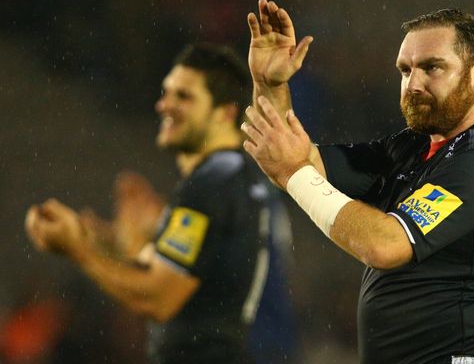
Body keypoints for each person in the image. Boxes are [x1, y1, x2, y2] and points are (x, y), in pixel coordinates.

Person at [240, 0, 474, 364]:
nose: (413, 84)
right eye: (405, 70)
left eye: (432, 68)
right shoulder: (413, 147)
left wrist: (293, 172)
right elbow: (298, 158)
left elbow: (385, 245)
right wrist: (270, 83)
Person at [25, 43, 296, 364]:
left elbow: (159, 298)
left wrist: (77, 249)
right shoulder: (239, 175)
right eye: (166, 93)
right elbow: (192, 267)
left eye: (184, 97)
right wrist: (104, 240)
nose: (164, 105)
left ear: (224, 113)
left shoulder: (209, 184)